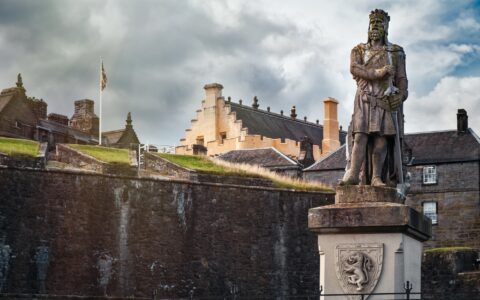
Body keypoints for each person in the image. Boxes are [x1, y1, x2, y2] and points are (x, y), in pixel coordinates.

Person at [341, 9, 408, 187]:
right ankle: (354, 174)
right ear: (368, 27)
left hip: (384, 101)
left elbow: (401, 79)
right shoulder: (359, 50)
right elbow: (355, 69)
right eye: (373, 23)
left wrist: (400, 96)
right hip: (364, 99)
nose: (375, 27)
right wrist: (380, 72)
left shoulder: (396, 52)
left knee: (381, 140)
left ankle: (377, 177)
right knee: (360, 137)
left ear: (386, 27)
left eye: (380, 23)